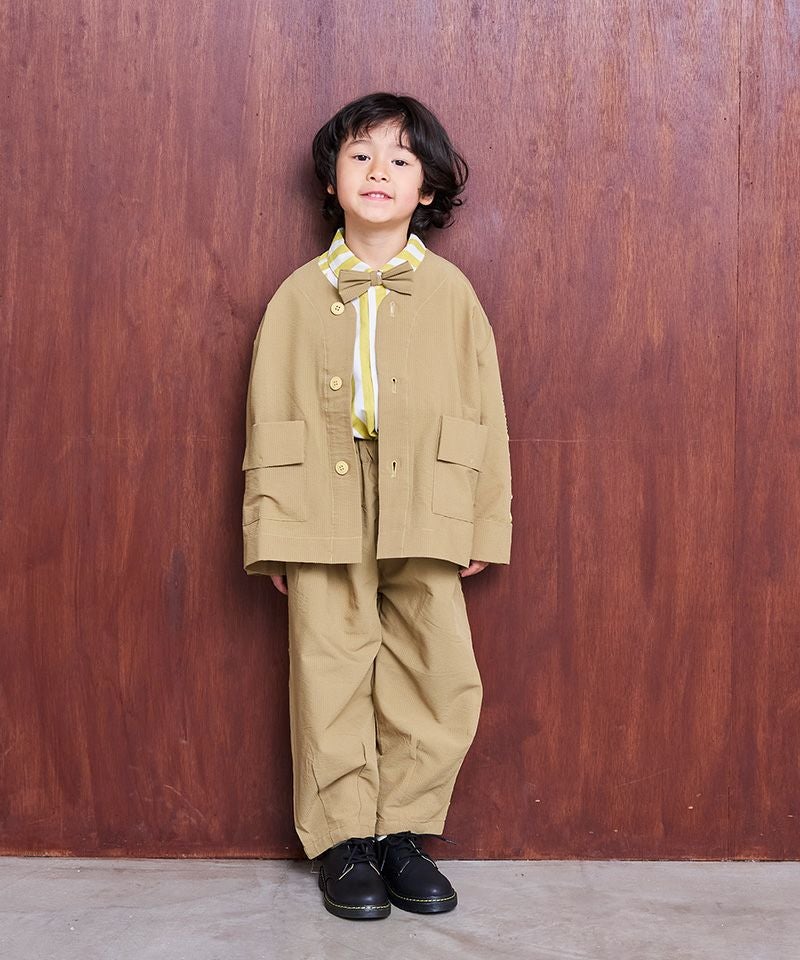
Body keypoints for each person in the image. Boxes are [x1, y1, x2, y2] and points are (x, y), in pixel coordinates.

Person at [241, 92, 512, 920]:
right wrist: (273, 529)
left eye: (400, 158)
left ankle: (403, 832)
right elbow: (267, 412)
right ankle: (345, 839)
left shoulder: (453, 293)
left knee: (435, 665)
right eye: (360, 155)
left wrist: (483, 518)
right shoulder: (296, 295)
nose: (378, 171)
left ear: (426, 188)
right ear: (332, 180)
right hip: (319, 494)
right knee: (328, 663)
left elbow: (486, 410)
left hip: (426, 489)